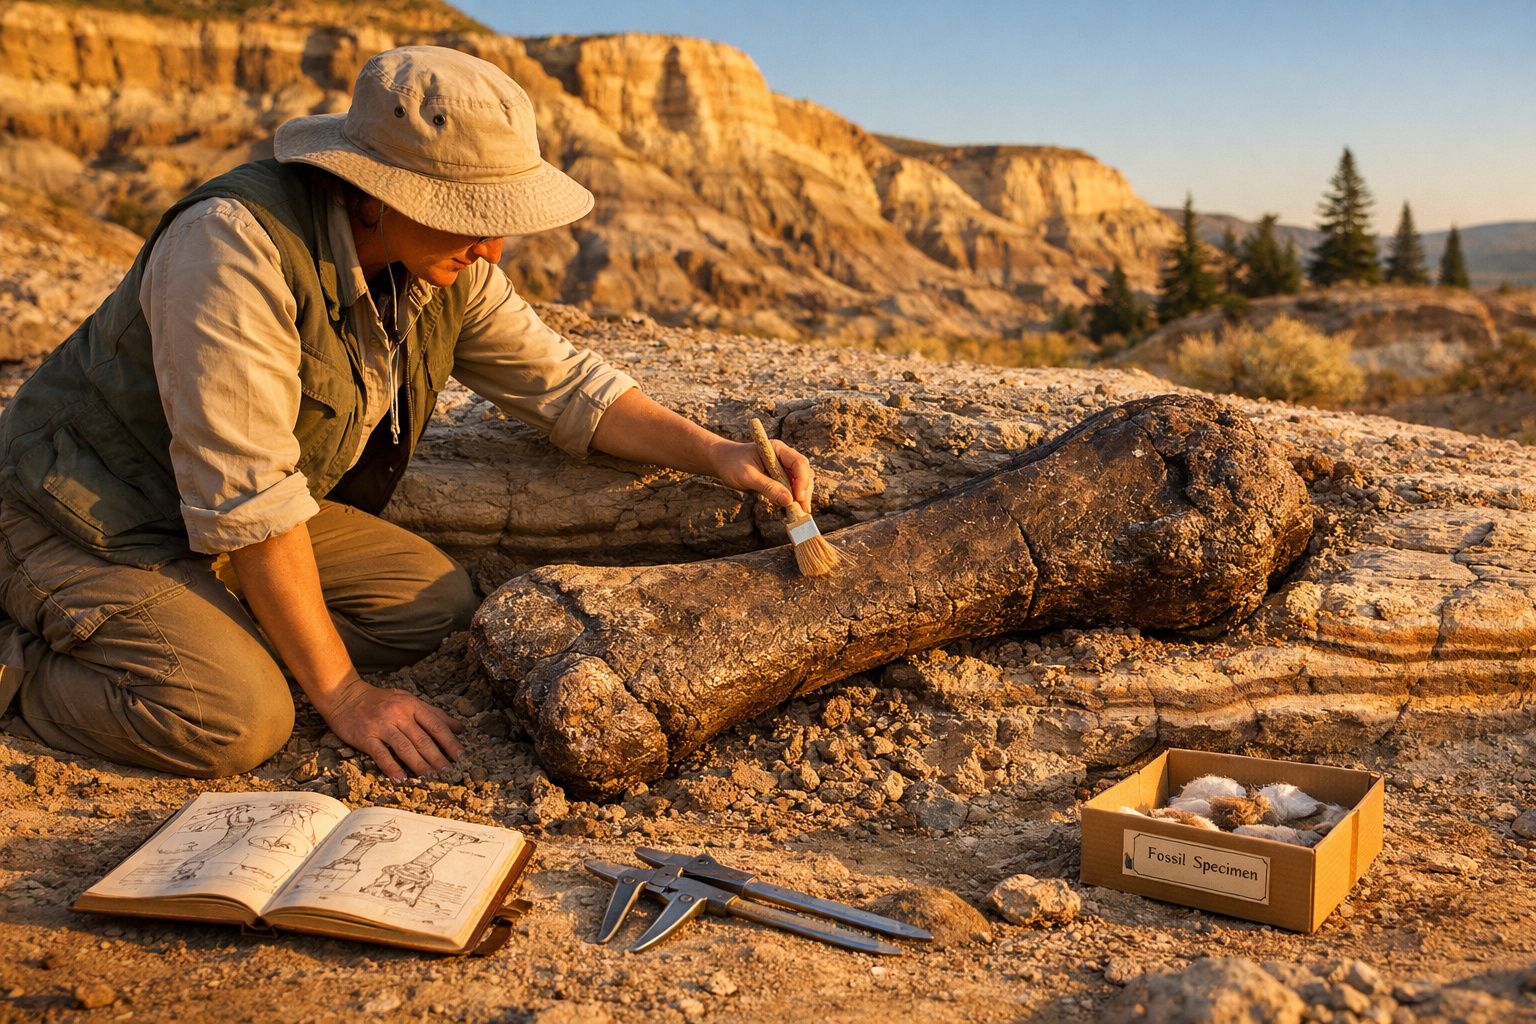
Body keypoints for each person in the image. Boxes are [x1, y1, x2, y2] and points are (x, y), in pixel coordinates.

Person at [0, 46, 812, 783]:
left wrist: (714, 454)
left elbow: (566, 387)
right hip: (82, 511)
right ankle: (25, 656)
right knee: (237, 718)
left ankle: (212, 627)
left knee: (432, 604)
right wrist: (345, 696)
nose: (493, 247)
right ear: (373, 192)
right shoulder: (230, 245)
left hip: (205, 520)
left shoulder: (442, 265)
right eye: (471, 213)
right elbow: (245, 495)